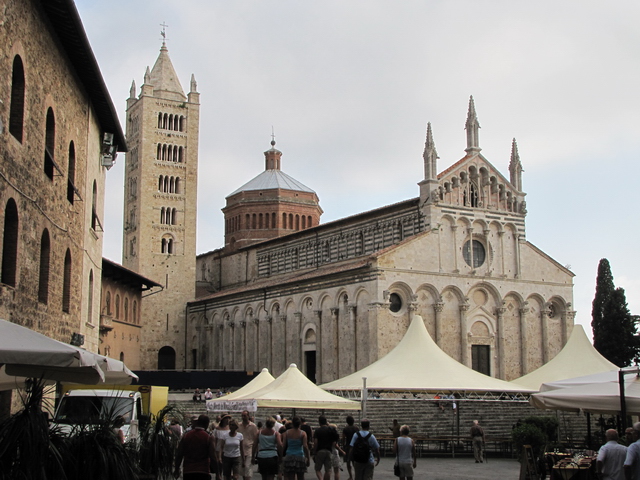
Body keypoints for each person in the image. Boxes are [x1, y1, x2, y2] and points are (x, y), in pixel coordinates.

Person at [174, 414, 216, 480]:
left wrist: (176, 469)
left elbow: (179, 454)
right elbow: (213, 456)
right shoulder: (209, 437)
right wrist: (218, 473)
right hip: (203, 470)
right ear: (207, 424)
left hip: (188, 471)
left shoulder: (186, 435)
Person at [314, 415, 340, 480]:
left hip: (320, 450)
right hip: (329, 450)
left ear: (319, 422)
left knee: (318, 469)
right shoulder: (330, 430)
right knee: (328, 469)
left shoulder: (317, 431)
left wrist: (314, 451)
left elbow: (316, 442)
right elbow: (334, 441)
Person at [238, 410, 259, 480]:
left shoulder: (253, 426)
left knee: (248, 468)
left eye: (245, 416)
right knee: (243, 470)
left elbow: (255, 439)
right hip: (241, 449)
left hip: (250, 449)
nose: (243, 417)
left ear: (248, 416)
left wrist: (255, 453)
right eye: (242, 416)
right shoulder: (239, 425)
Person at [214, 415, 232, 480]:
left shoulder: (230, 428)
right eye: (226, 418)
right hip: (218, 449)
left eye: (228, 418)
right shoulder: (217, 429)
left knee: (227, 466)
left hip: (227, 449)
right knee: (219, 466)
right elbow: (215, 440)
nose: (227, 420)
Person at [342, 416, 359, 480]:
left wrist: (343, 445)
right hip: (355, 446)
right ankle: (356, 475)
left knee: (348, 462)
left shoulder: (345, 429)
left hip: (348, 446)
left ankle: (351, 476)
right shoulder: (356, 428)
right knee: (355, 462)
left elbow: (343, 438)